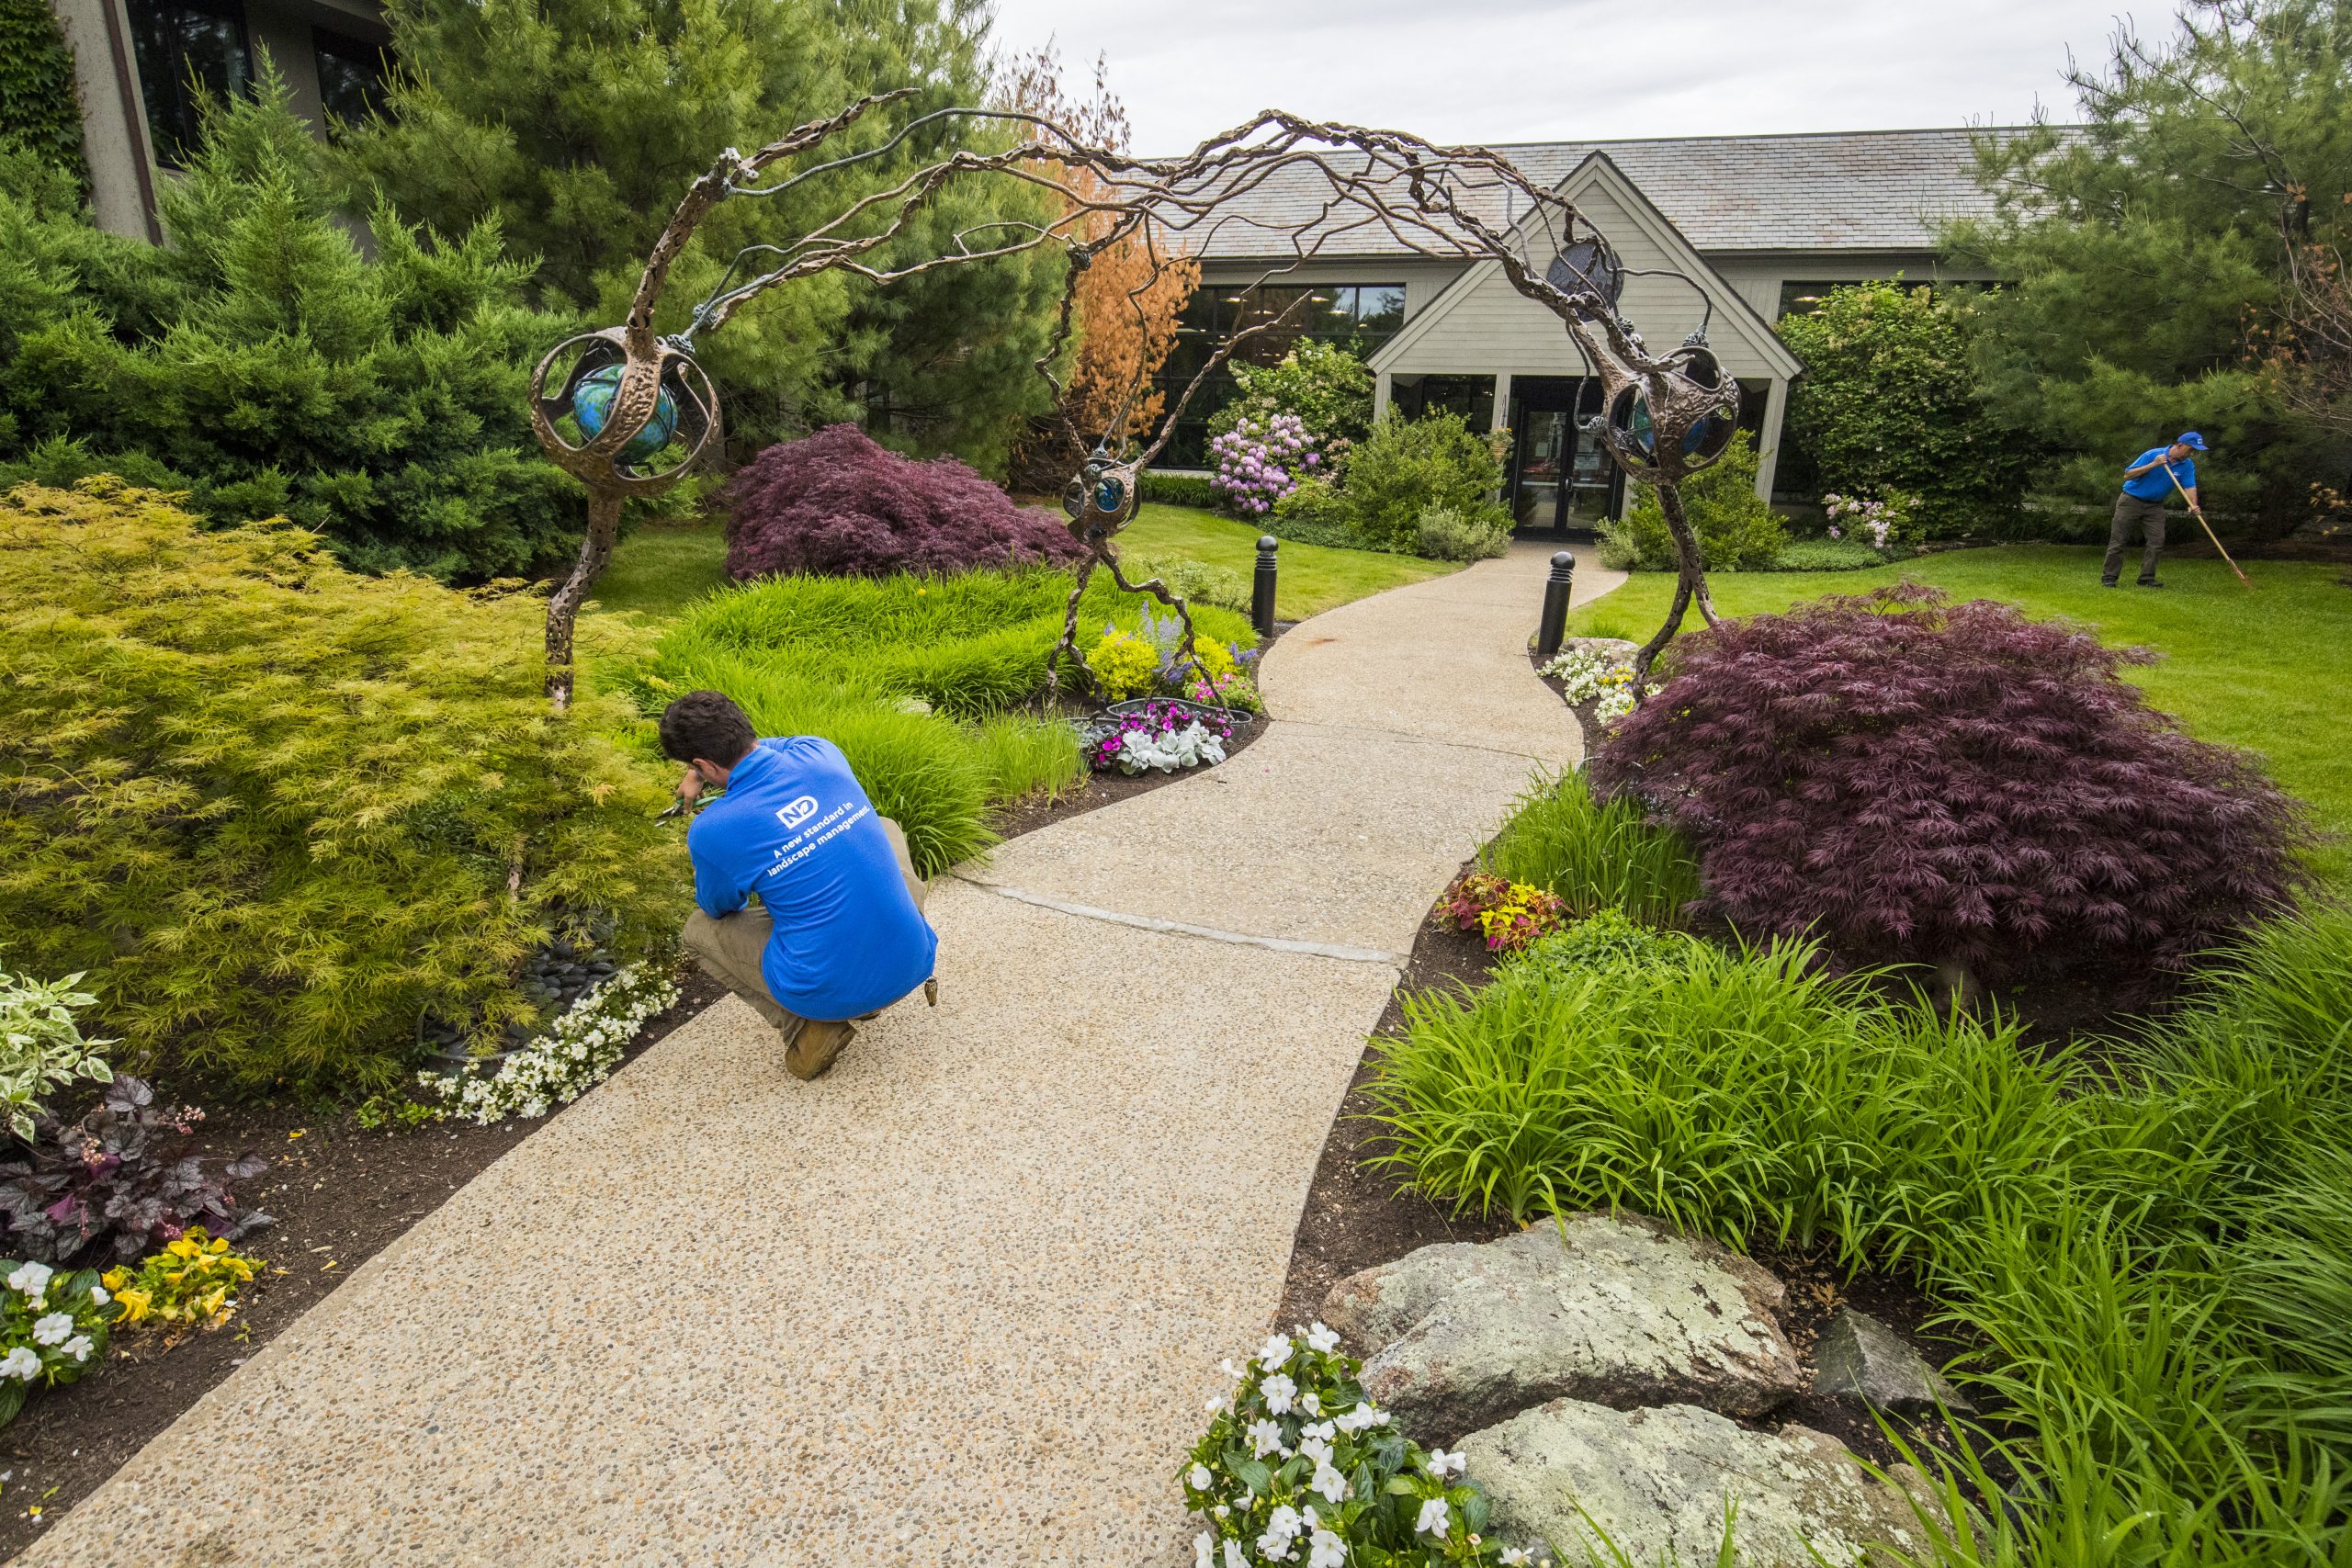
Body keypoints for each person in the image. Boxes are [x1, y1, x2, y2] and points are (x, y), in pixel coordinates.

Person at [659, 690, 937, 1081]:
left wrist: (701, 777)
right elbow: (767, 750)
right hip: (913, 959)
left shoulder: (714, 828)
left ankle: (808, 1029)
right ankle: (876, 962)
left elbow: (719, 906)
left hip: (830, 989)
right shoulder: (820, 753)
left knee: (698, 929)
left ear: (702, 764)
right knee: (885, 828)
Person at [2106, 432, 2208, 588]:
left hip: (2155, 506)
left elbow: (2189, 485)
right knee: (2119, 539)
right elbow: (2128, 475)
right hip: (2131, 500)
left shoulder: (2187, 465)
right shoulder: (2153, 454)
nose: (2192, 453)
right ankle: (2109, 578)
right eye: (2191, 449)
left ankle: (2146, 578)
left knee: (2157, 541)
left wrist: (2193, 504)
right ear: (2180, 445)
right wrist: (2154, 464)